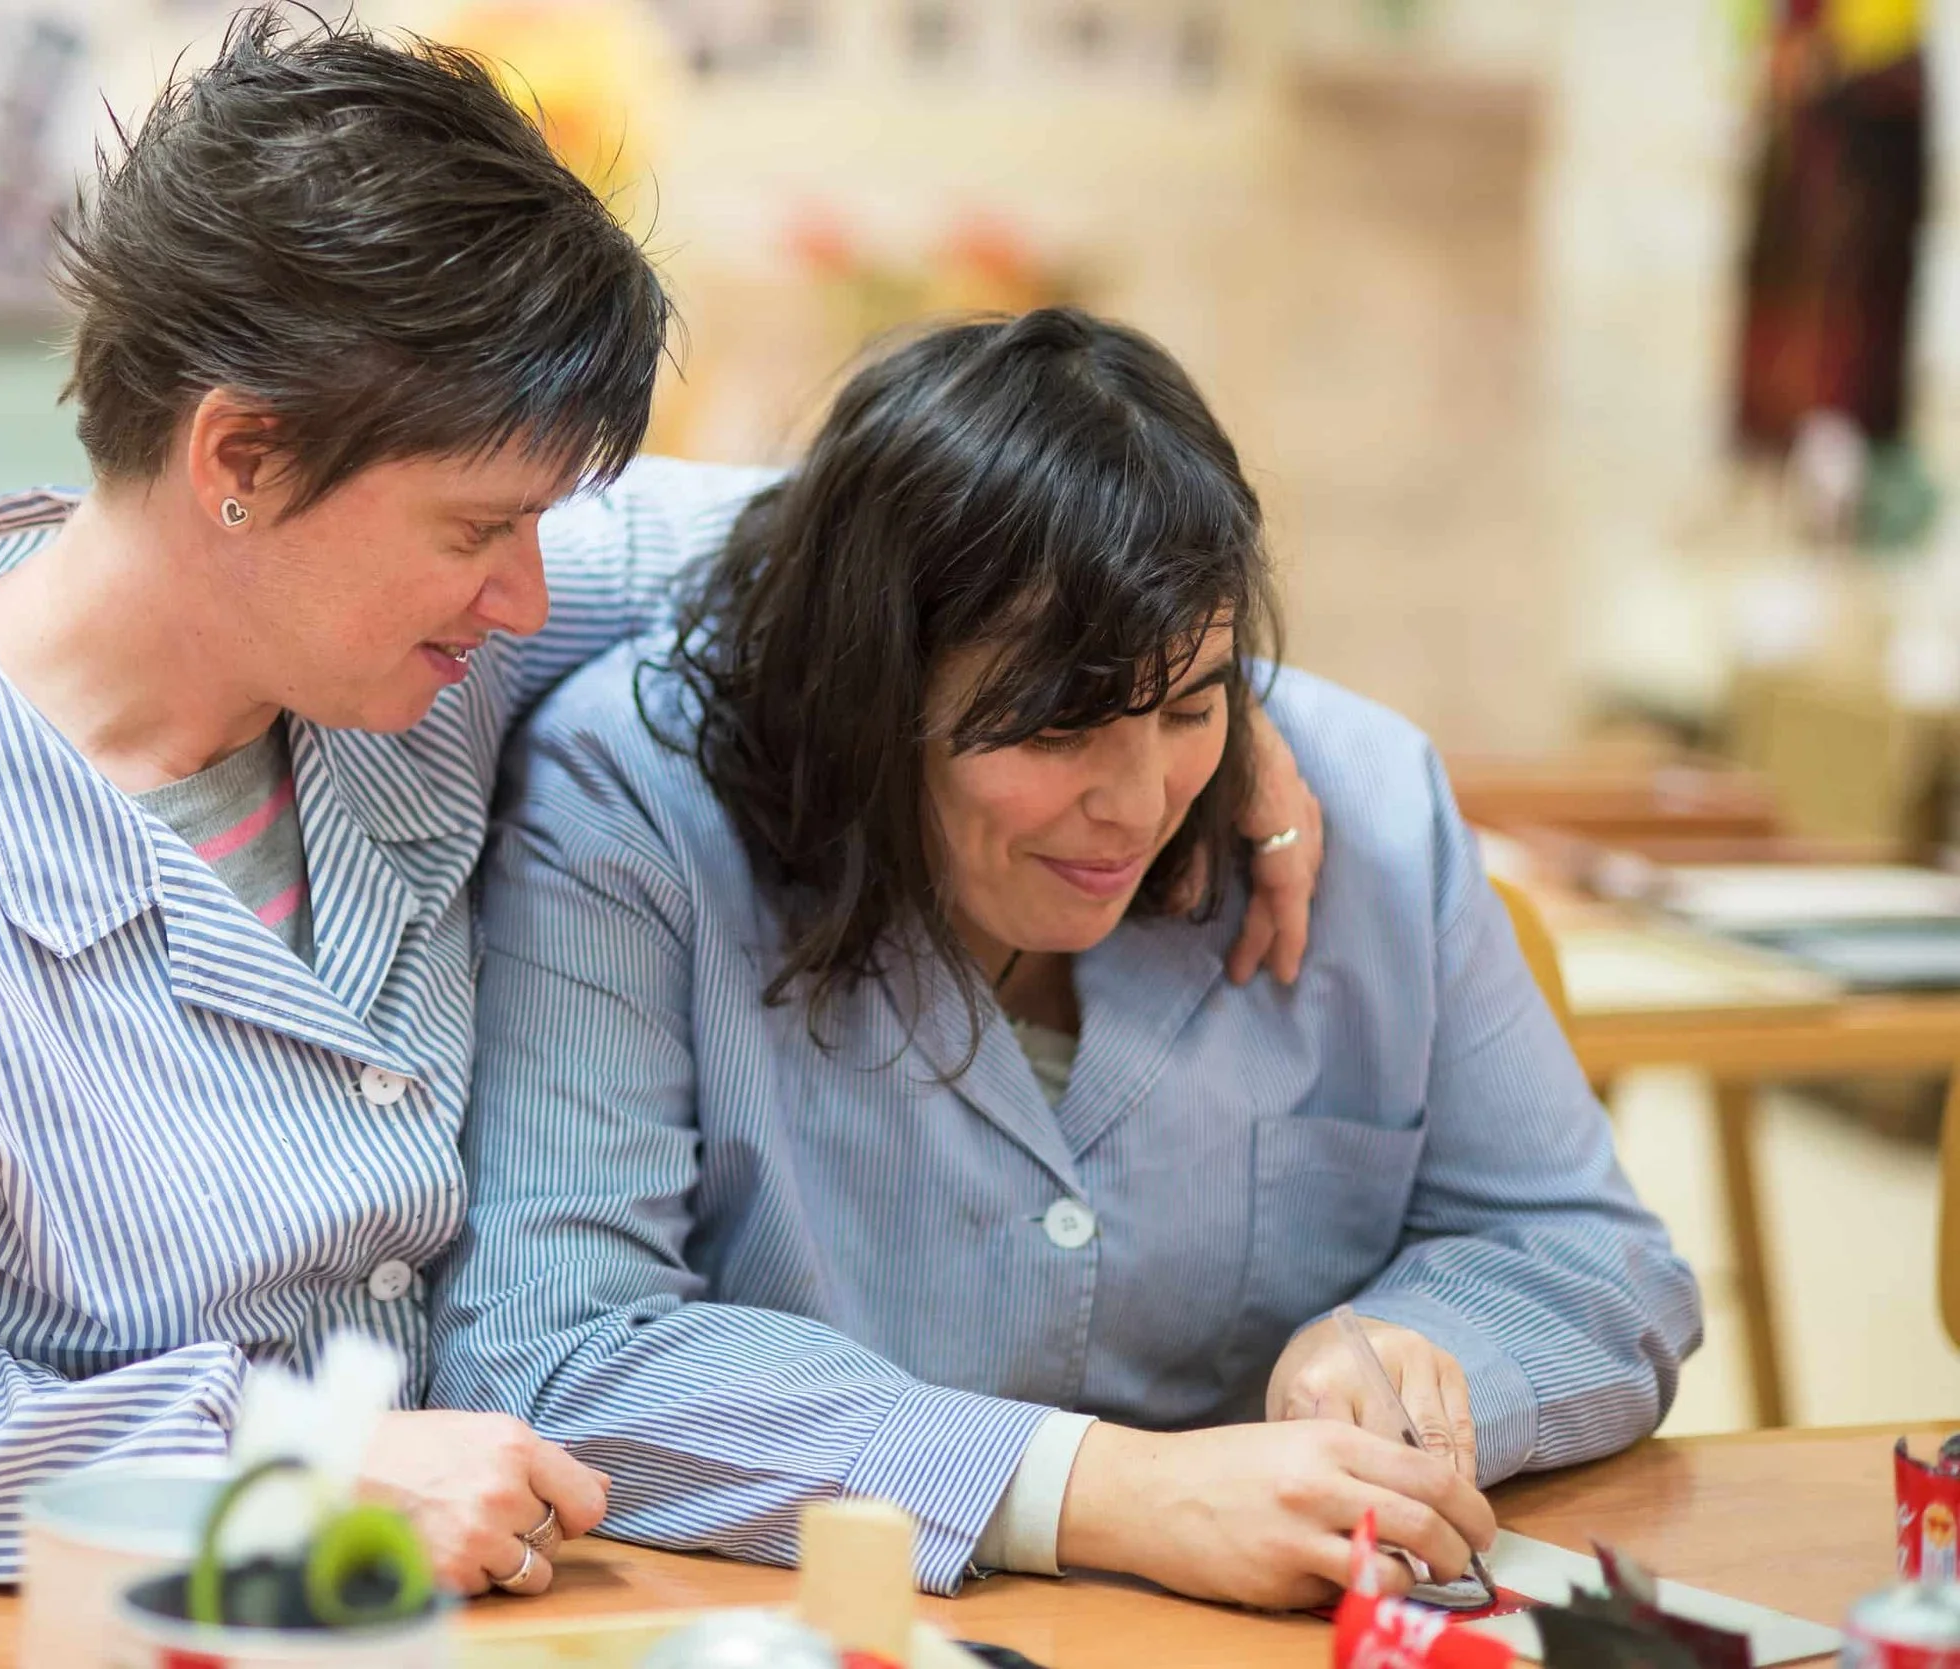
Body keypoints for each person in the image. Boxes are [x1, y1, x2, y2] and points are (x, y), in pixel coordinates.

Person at [0, 17, 1326, 1591]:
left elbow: (868, 563)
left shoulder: (392, 642)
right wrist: (284, 1472)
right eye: (481, 529)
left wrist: (1158, 689)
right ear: (241, 459)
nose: (532, 599)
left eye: (546, 522)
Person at [430, 309, 1703, 1609]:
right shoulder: (637, 800)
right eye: (1054, 730)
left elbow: (1596, 1261)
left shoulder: (1361, 796)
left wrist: (1427, 1354)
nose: (1139, 801)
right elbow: (556, 1349)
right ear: (872, 689)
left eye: (1194, 704)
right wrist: (1104, 1491)